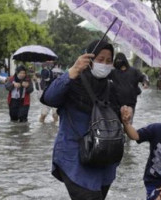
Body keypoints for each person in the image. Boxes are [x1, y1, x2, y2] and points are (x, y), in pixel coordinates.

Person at [41, 40, 120, 199]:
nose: (104, 64)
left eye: (108, 60)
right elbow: (49, 98)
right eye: (100, 59)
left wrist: (125, 115)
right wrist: (73, 70)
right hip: (74, 157)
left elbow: (115, 119)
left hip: (104, 158)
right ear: (89, 59)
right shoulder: (73, 80)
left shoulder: (111, 86)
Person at [109, 52, 148, 121]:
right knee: (117, 122)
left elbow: (142, 77)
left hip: (131, 103)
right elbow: (103, 77)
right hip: (117, 104)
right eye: (117, 61)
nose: (118, 62)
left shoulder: (134, 71)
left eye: (120, 61)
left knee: (128, 122)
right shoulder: (113, 72)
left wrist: (145, 83)